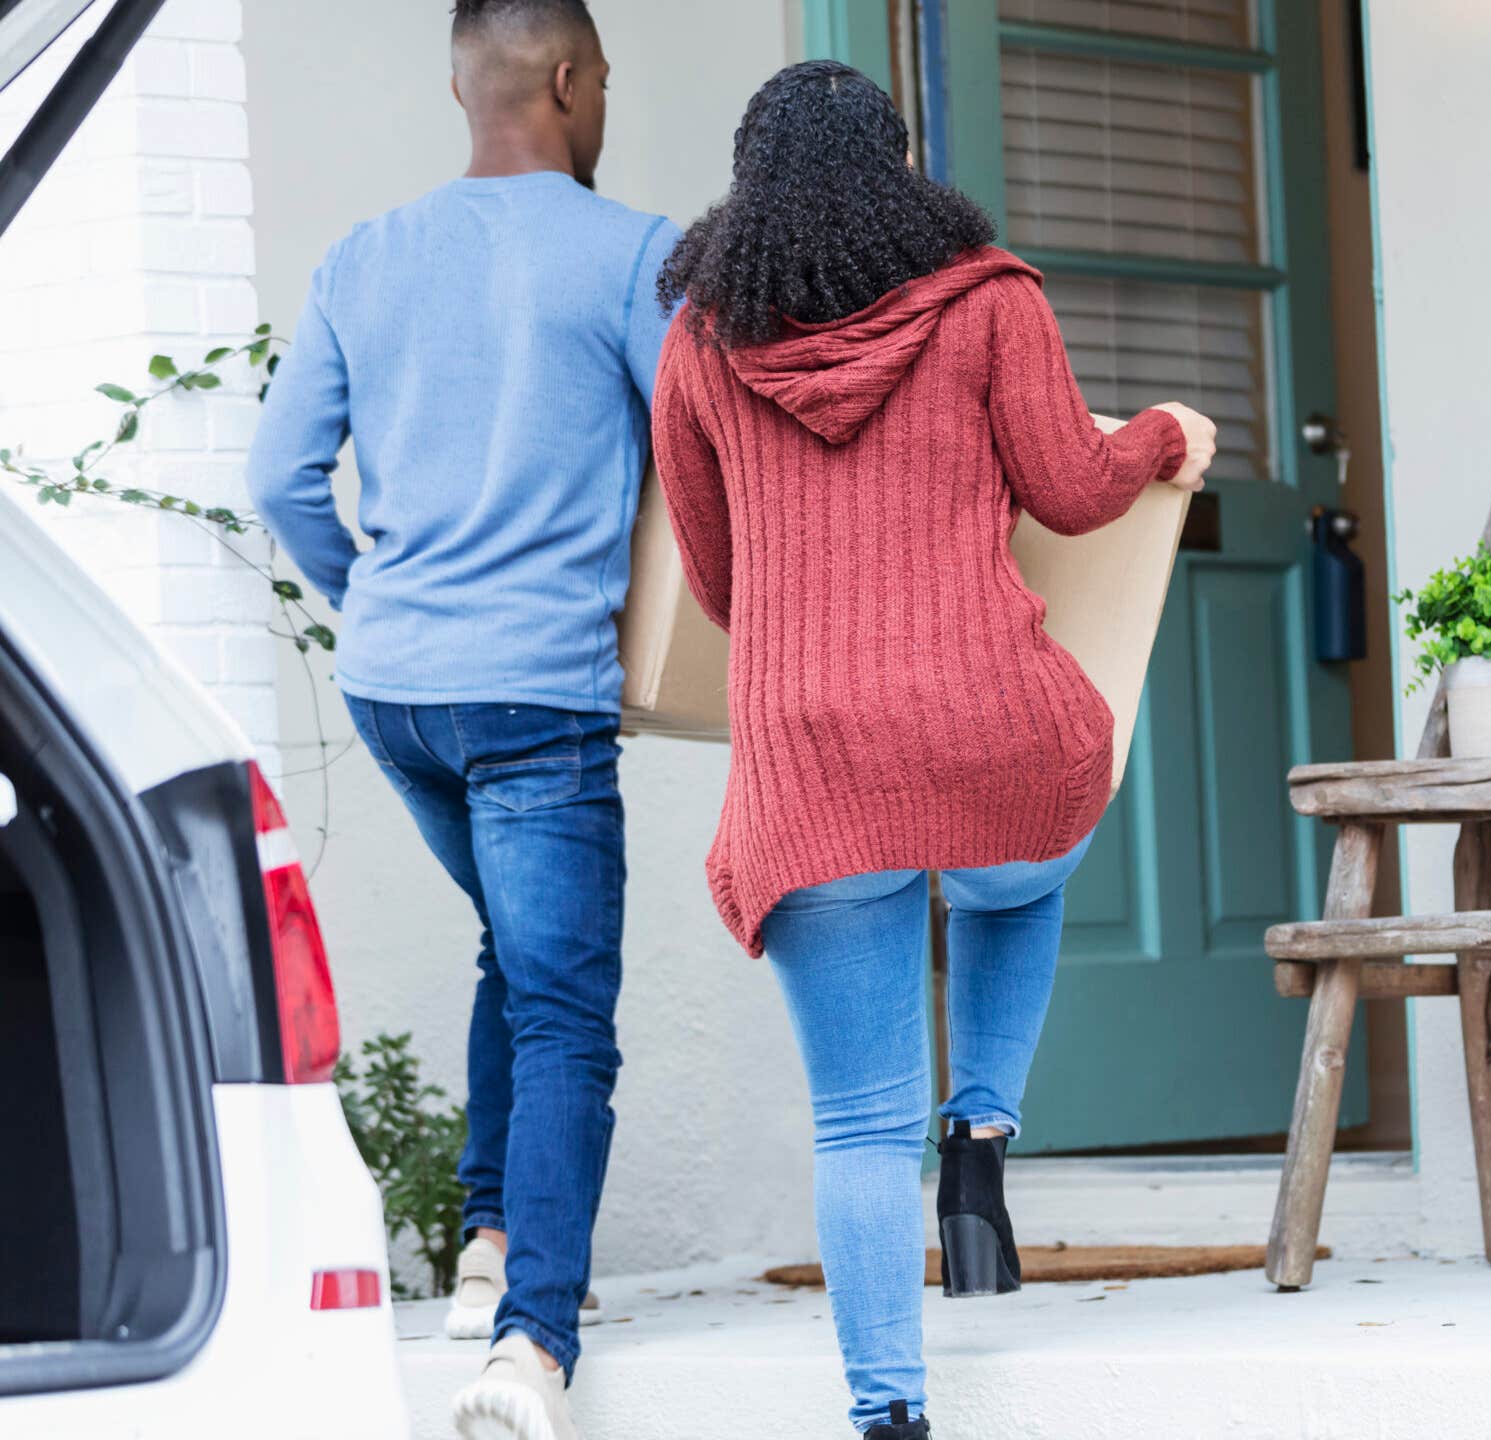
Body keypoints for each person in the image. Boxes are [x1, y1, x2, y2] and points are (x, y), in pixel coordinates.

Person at [648, 60, 1216, 1439]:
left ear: (750, 184)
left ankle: (889, 1413)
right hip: (983, 733)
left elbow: (716, 590)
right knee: (1019, 867)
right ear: (897, 169)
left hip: (812, 766)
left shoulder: (701, 343)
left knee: (854, 1129)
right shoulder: (988, 300)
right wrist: (1167, 434)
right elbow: (1077, 493)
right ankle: (981, 1137)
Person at [245, 2, 675, 1437]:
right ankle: (528, 1349)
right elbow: (705, 457)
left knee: (515, 941)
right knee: (565, 1008)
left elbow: (282, 477)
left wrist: (375, 594)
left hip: (396, 688)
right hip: (536, 692)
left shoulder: (366, 256)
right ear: (566, 80)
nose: (603, 99)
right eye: (601, 77)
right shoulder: (628, 255)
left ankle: (487, 1238)